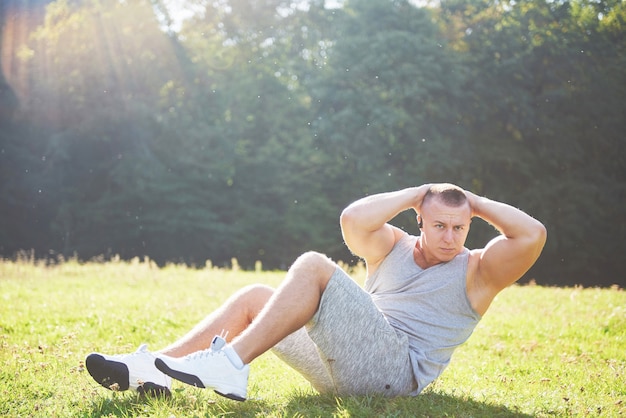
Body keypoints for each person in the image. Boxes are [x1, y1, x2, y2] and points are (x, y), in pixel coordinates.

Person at [85, 183, 546, 401]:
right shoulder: (394, 247)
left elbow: (533, 235)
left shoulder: (479, 271)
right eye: (439, 225)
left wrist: (473, 201)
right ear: (419, 220)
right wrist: (417, 194)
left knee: (313, 266)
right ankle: (154, 370)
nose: (450, 237)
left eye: (460, 228)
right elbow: (351, 220)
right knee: (254, 297)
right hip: (344, 364)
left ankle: (229, 365)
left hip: (395, 375)